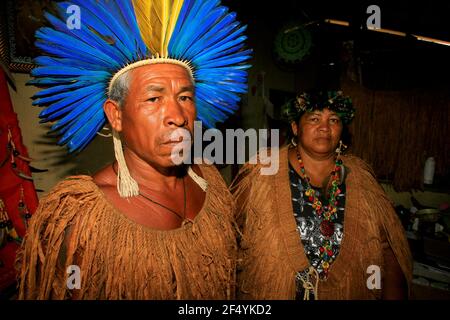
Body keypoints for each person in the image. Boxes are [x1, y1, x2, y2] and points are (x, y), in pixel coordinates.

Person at [16, 0, 251, 299]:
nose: (178, 117)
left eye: (185, 97)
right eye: (154, 99)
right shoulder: (84, 218)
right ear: (116, 115)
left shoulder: (212, 184)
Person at [231, 90, 412, 300]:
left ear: (342, 130)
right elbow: (230, 237)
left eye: (333, 120)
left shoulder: (362, 179)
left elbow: (389, 248)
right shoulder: (261, 173)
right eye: (314, 118)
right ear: (295, 127)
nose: (325, 127)